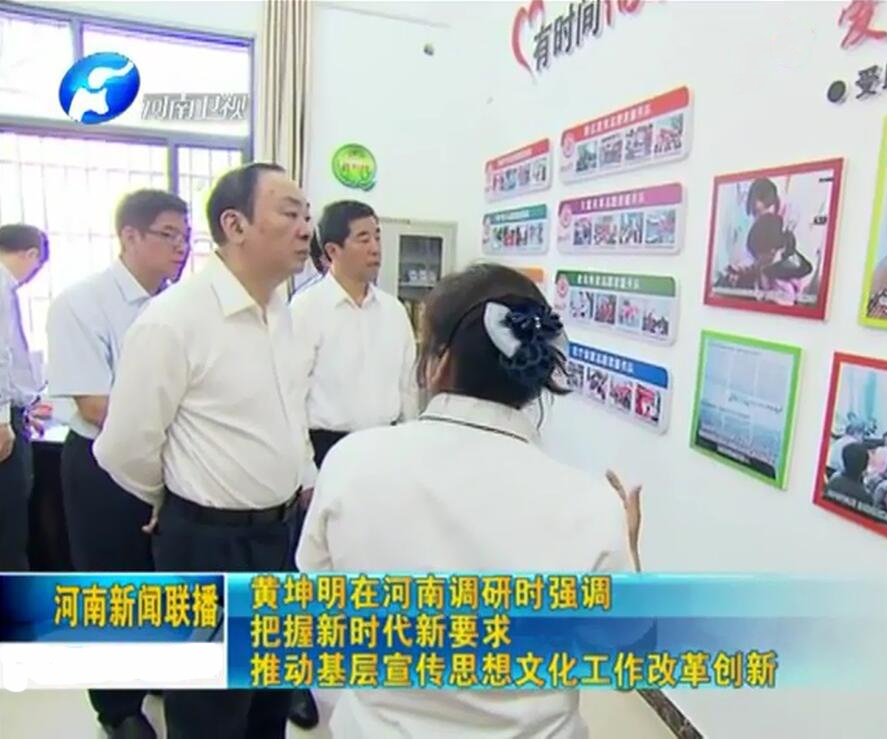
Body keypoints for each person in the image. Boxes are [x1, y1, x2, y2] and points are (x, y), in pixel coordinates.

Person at [297, 263, 642, 739]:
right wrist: (629, 550)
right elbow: (627, 663)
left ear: (437, 362)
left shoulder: (351, 462)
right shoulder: (593, 505)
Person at [93, 162, 314, 739]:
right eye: (289, 213)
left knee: (268, 699)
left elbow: (291, 415)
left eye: (307, 215)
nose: (305, 229)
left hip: (280, 535)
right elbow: (124, 446)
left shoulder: (282, 312)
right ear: (235, 225)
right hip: (208, 543)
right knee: (210, 711)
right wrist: (177, 499)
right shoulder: (173, 321)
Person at [46, 189, 189, 739]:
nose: (180, 248)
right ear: (129, 236)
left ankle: (156, 674)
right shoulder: (81, 304)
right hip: (101, 463)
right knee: (111, 581)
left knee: (161, 575)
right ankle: (118, 707)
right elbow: (94, 403)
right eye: (168, 235)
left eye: (186, 238)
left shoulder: (180, 307)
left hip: (168, 456)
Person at [288, 200, 417, 729]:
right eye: (363, 238)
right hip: (324, 450)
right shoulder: (305, 311)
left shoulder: (395, 311)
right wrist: (306, 473)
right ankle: (296, 679)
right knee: (309, 571)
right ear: (332, 250)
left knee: (374, 563)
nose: (376, 247)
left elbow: (408, 389)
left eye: (378, 236)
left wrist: (410, 452)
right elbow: (290, 396)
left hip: (383, 448)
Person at [0, 224, 48, 571]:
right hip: (4, 422)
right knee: (10, 525)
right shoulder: (2, 285)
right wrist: (3, 416)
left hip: (14, 410)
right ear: (31, 254)